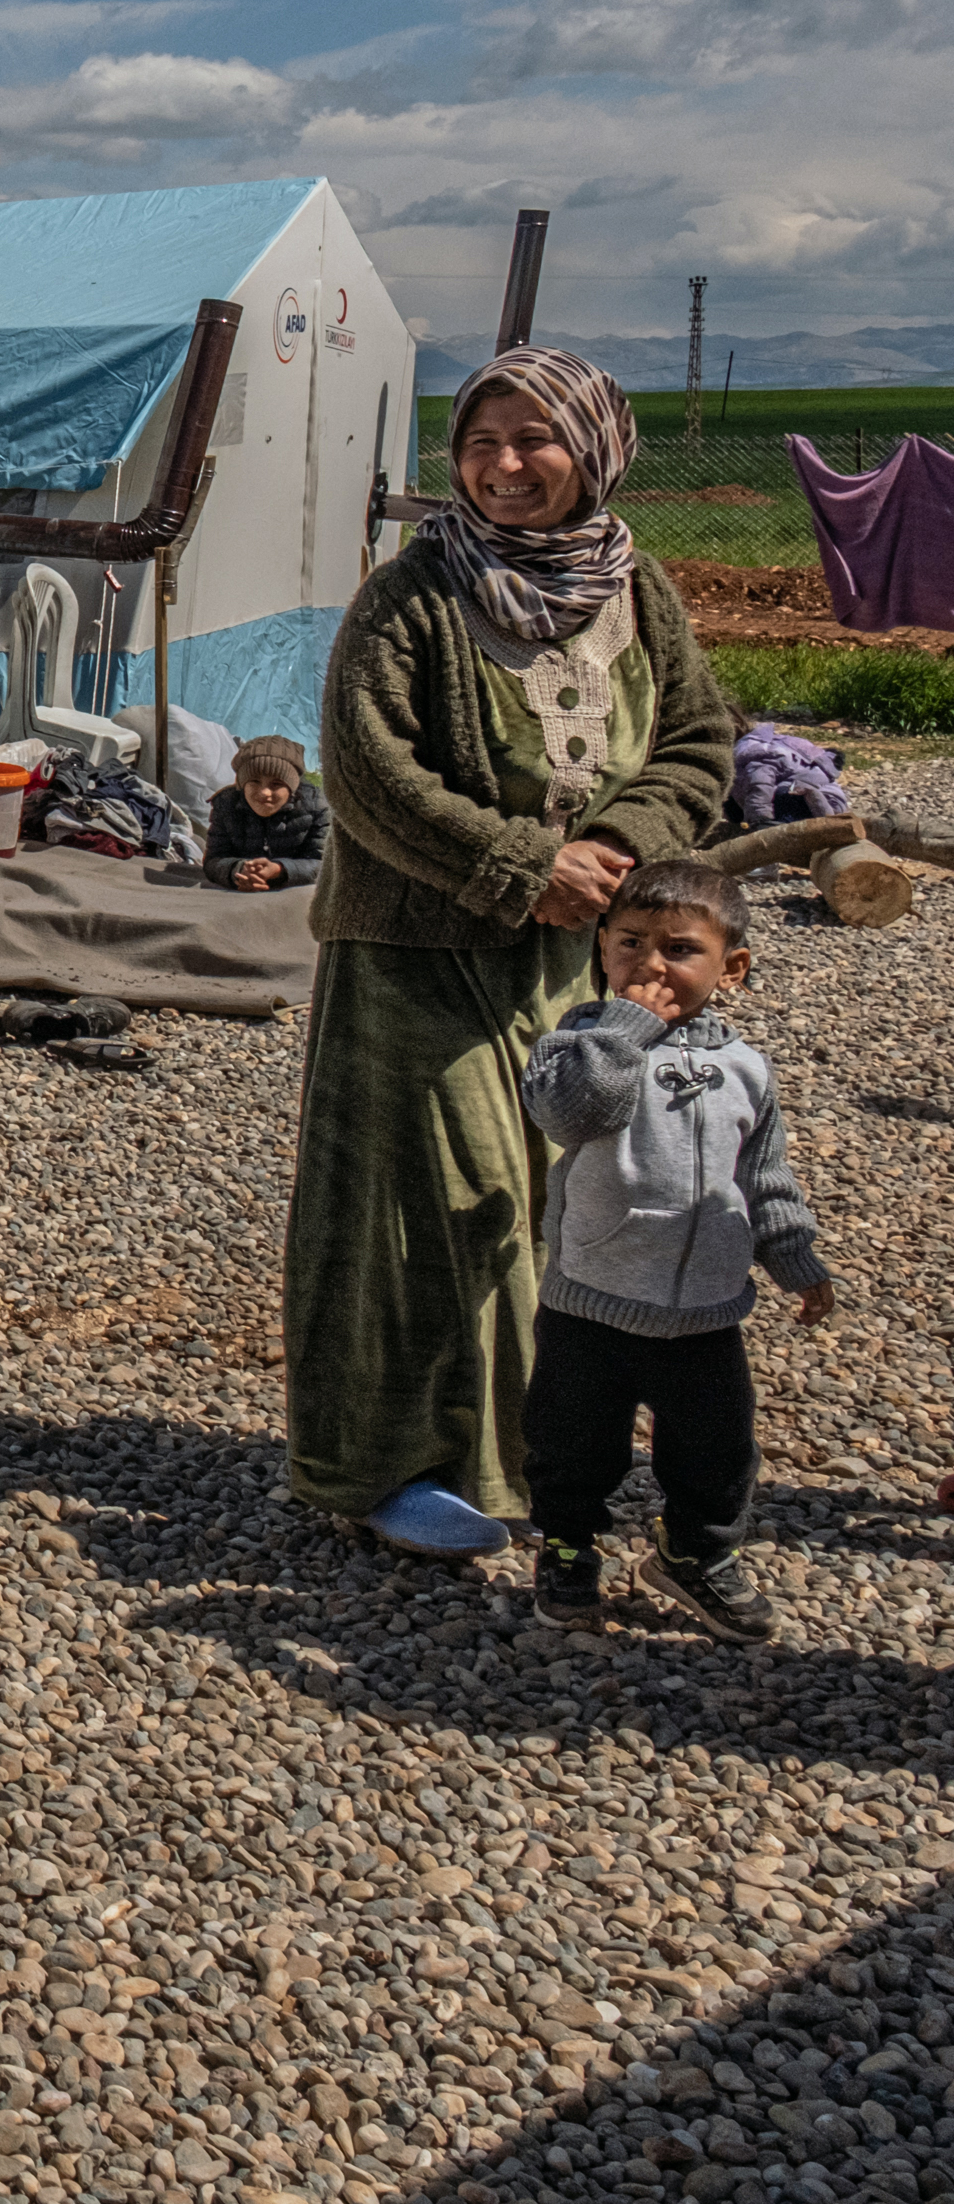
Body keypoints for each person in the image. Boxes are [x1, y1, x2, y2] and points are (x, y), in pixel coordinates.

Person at [280, 345, 733, 1557]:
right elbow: (370, 772)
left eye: (534, 438)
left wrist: (615, 851)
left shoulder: (637, 592)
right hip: (417, 946)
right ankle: (382, 1463)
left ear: (592, 448)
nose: (504, 465)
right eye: (481, 442)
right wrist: (523, 867)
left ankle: (518, 1458)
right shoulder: (415, 591)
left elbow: (696, 743)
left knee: (547, 1204)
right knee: (428, 1205)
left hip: (571, 956)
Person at [521, 862, 830, 1642]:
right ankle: (565, 1548)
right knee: (573, 1442)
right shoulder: (580, 1043)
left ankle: (693, 1554)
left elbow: (765, 1176)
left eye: (680, 949)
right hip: (592, 1301)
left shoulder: (745, 1069)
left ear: (732, 968)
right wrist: (624, 1032)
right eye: (629, 942)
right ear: (601, 947)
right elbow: (572, 1116)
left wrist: (793, 1254)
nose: (651, 964)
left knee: (718, 1451)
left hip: (703, 1312)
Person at [203, 735, 328, 890]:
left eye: (276, 784)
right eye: (254, 782)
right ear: (242, 784)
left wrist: (279, 870)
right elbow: (214, 860)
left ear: (291, 788)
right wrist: (240, 870)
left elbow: (325, 864)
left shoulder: (317, 807)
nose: (264, 793)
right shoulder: (226, 804)